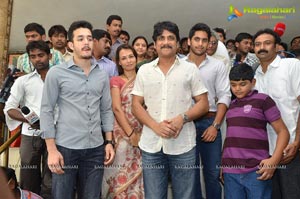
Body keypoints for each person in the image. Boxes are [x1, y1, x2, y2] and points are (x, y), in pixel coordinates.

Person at [132, 21, 209, 199]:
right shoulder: (144, 70)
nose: (166, 42)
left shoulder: (190, 69)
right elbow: (136, 104)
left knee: (185, 195)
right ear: (155, 43)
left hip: (183, 145)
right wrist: (155, 126)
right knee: (154, 196)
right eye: (161, 38)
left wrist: (182, 118)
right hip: (151, 146)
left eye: (170, 38)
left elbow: (203, 103)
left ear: (177, 42)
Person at [40, 20, 115, 199]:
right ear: (71, 45)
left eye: (89, 38)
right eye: (80, 39)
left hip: (96, 148)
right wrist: (51, 150)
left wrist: (109, 142)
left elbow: (106, 109)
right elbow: (46, 110)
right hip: (66, 148)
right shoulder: (56, 73)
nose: (86, 42)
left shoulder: (102, 75)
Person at [221, 63, 289, 199]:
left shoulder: (263, 100)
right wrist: (223, 165)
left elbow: (283, 132)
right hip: (231, 172)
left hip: (256, 171)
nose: (237, 89)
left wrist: (274, 161)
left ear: (253, 82)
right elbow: (230, 137)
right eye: (233, 85)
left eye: (242, 84)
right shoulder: (231, 105)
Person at [253, 28, 300, 199]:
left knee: (292, 194)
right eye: (257, 44)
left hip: (291, 149)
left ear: (276, 46)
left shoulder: (291, 66)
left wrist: (297, 142)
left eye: (267, 43)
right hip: (265, 153)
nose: (262, 47)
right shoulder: (254, 77)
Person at [186, 23, 231, 199]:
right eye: (196, 39)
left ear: (210, 43)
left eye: (205, 40)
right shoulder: (179, 64)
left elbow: (224, 96)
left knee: (212, 174)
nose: (200, 44)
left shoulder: (217, 66)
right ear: (189, 41)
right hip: (185, 124)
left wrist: (216, 126)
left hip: (209, 123)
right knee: (190, 175)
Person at [4, 40, 52, 199]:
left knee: (51, 177)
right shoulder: (23, 81)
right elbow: (9, 108)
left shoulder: (60, 79)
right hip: (30, 133)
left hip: (56, 133)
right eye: (33, 56)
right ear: (30, 59)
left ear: (49, 56)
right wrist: (28, 119)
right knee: (28, 175)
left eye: (41, 55)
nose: (38, 59)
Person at [102, 44, 144, 198]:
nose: (128, 61)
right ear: (118, 62)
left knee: (140, 175)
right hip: (123, 132)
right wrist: (131, 133)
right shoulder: (116, 80)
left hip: (143, 131)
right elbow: (117, 108)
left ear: (136, 58)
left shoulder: (143, 78)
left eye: (131, 57)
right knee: (119, 172)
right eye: (124, 58)